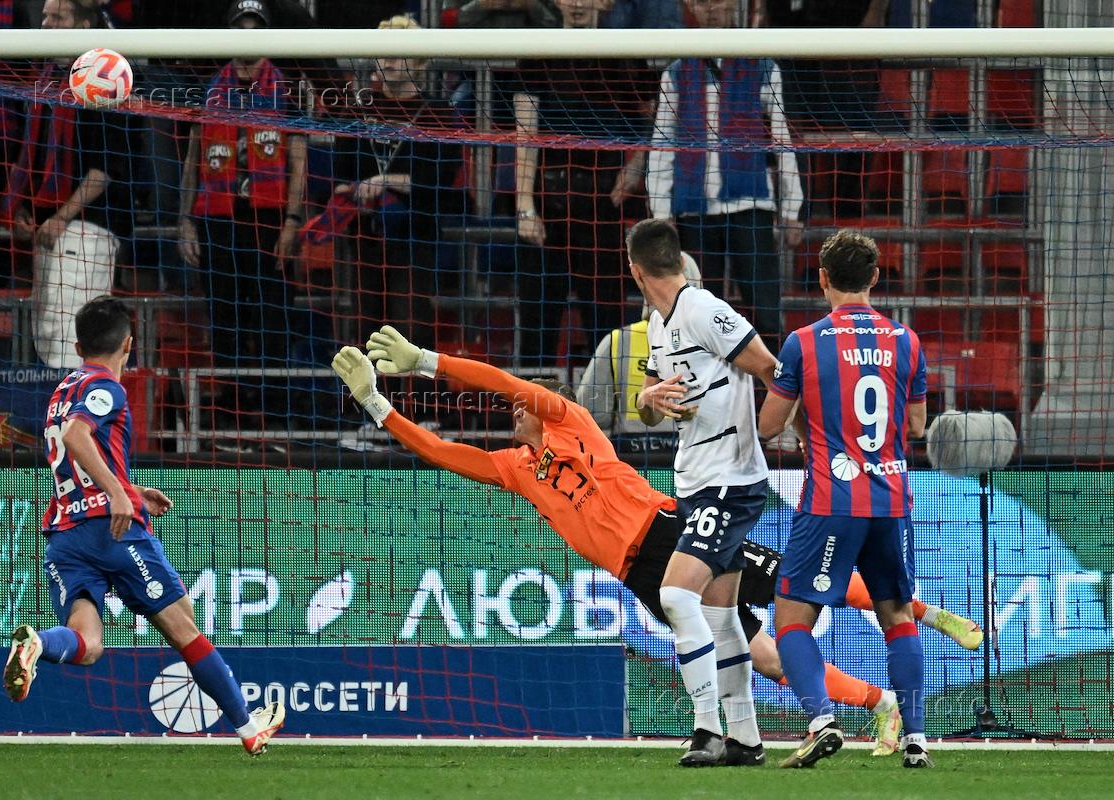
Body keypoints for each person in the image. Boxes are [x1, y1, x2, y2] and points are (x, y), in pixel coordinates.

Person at [336, 324, 969, 758]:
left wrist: (428, 361)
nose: (515, 412)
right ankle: (880, 703)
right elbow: (442, 451)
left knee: (792, 583)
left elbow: (504, 383)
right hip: (637, 572)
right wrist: (377, 406)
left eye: (523, 406)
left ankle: (919, 610)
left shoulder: (570, 420)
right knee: (768, 659)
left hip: (674, 531)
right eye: (516, 411)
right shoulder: (515, 469)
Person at [2, 296, 284, 754]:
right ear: (130, 344)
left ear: (78, 346)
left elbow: (75, 456)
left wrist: (131, 490)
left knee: (88, 644)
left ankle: (37, 644)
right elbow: (77, 437)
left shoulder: (61, 391)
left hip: (65, 534)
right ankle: (249, 729)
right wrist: (118, 494)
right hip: (111, 531)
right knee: (184, 626)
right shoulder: (107, 387)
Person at [758, 230, 931, 768]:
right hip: (891, 500)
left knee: (791, 616)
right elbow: (917, 425)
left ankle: (821, 721)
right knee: (897, 616)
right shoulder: (907, 341)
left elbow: (768, 426)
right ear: (875, 278)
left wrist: (808, 417)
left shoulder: (803, 342)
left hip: (831, 499)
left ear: (823, 278)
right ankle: (916, 740)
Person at [628, 217, 775, 766]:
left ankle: (706, 728)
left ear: (635, 270)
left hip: (729, 483)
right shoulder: (657, 322)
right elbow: (645, 406)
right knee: (720, 614)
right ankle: (746, 740)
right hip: (693, 481)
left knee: (674, 595)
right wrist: (650, 399)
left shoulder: (704, 310)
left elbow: (772, 369)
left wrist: (773, 435)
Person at [177, 0, 309, 438]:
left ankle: (275, 415)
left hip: (269, 218)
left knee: (272, 318)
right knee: (225, 319)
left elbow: (299, 157)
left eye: (255, 29)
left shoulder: (288, 89)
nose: (247, 37)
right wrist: (185, 219)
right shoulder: (209, 89)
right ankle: (233, 412)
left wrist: (293, 220)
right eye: (240, 28)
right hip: (217, 218)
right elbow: (193, 155)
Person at [646, 0, 803, 354]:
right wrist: (661, 211)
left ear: (733, 4)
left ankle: (775, 383)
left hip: (751, 206)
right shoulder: (676, 71)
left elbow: (782, 139)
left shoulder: (763, 66)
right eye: (704, 2)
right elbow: (662, 143)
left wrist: (793, 208)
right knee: (698, 317)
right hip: (694, 211)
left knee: (766, 313)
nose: (712, 9)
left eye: (719, 1)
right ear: (691, 5)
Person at [510, 0, 659, 363]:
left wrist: (637, 166)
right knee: (537, 323)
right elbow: (525, 133)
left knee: (605, 321)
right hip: (548, 204)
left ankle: (606, 397)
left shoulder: (625, 52)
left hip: (604, 204)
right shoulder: (537, 51)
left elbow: (654, 118)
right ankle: (535, 397)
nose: (576, 3)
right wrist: (525, 206)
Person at [736, 538, 981, 756]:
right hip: (710, 598)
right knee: (774, 664)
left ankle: (929, 614)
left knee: (809, 581)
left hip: (716, 549)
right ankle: (883, 703)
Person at [0, 0, 134, 369]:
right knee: (48, 339)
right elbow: (33, 154)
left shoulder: (106, 76)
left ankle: (81, 408)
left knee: (71, 343)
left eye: (57, 17)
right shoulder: (46, 79)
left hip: (86, 228)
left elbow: (105, 169)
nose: (46, 24)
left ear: (84, 25)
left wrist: (61, 217)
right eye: (44, 16)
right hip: (49, 227)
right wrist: (23, 207)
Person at [332, 13, 466, 350]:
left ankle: (412, 388)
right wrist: (351, 190)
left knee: (410, 331)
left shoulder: (439, 113)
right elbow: (339, 172)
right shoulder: (358, 110)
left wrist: (386, 180)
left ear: (418, 61)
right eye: (383, 53)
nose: (388, 60)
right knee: (365, 332)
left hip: (415, 236)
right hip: (365, 235)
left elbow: (440, 179)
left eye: (397, 53)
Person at [576, 252, 701, 453]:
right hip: (697, 459)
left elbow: (591, 415)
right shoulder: (716, 342)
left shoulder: (618, 341)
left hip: (632, 461)